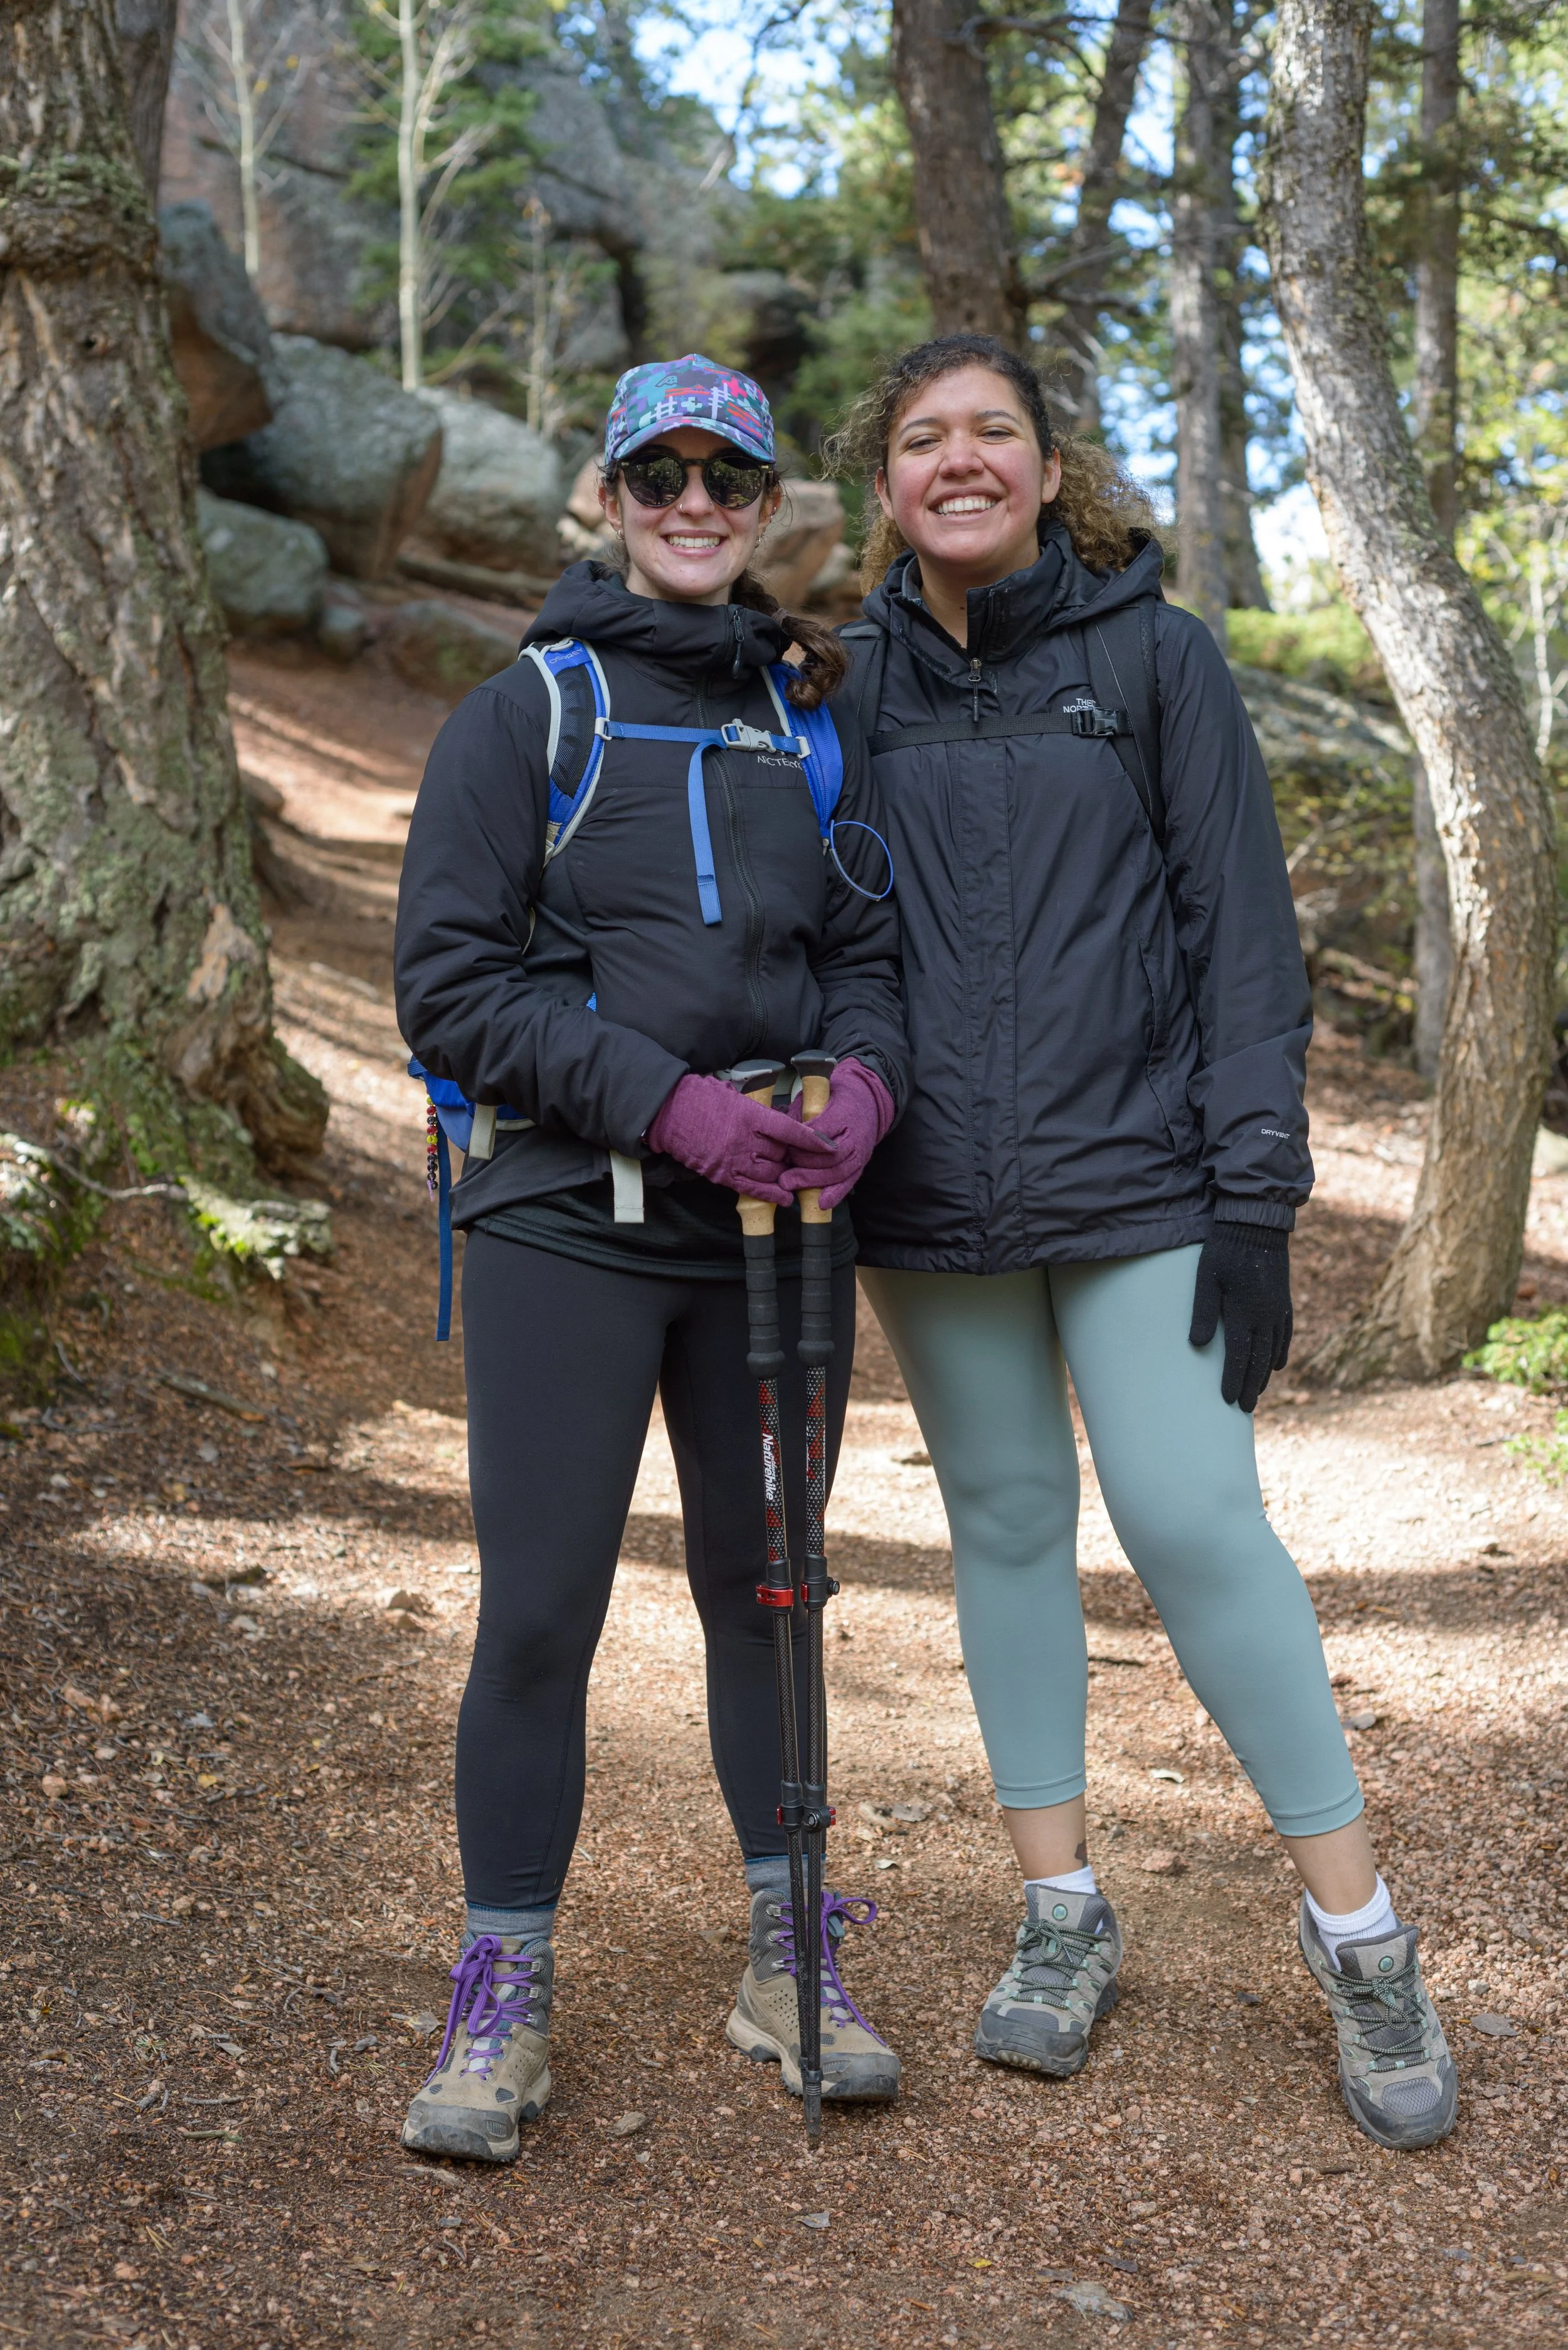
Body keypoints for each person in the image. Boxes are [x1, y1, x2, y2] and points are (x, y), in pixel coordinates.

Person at [830, 332, 1456, 2152]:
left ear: (1045, 466)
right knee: (1007, 1521)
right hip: (927, 1202)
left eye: (990, 433)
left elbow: (1238, 941)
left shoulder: (1158, 658)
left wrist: (1256, 1197)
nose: (958, 461)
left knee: (1190, 1514)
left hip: (1140, 1184)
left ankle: (1360, 1931)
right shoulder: (844, 686)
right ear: (885, 484)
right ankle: (1059, 1914)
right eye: (921, 440)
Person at [393, 354, 908, 2161]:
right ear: (607, 497)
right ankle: (497, 1991)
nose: (694, 504)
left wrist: (864, 1080)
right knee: (541, 1611)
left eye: (728, 478)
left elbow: (865, 942)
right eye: (659, 474)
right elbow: (449, 988)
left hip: (776, 1235)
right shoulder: (522, 713)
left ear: (766, 506)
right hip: (565, 1225)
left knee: (771, 1592)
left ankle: (791, 1956)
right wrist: (664, 1105)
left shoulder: (804, 715)